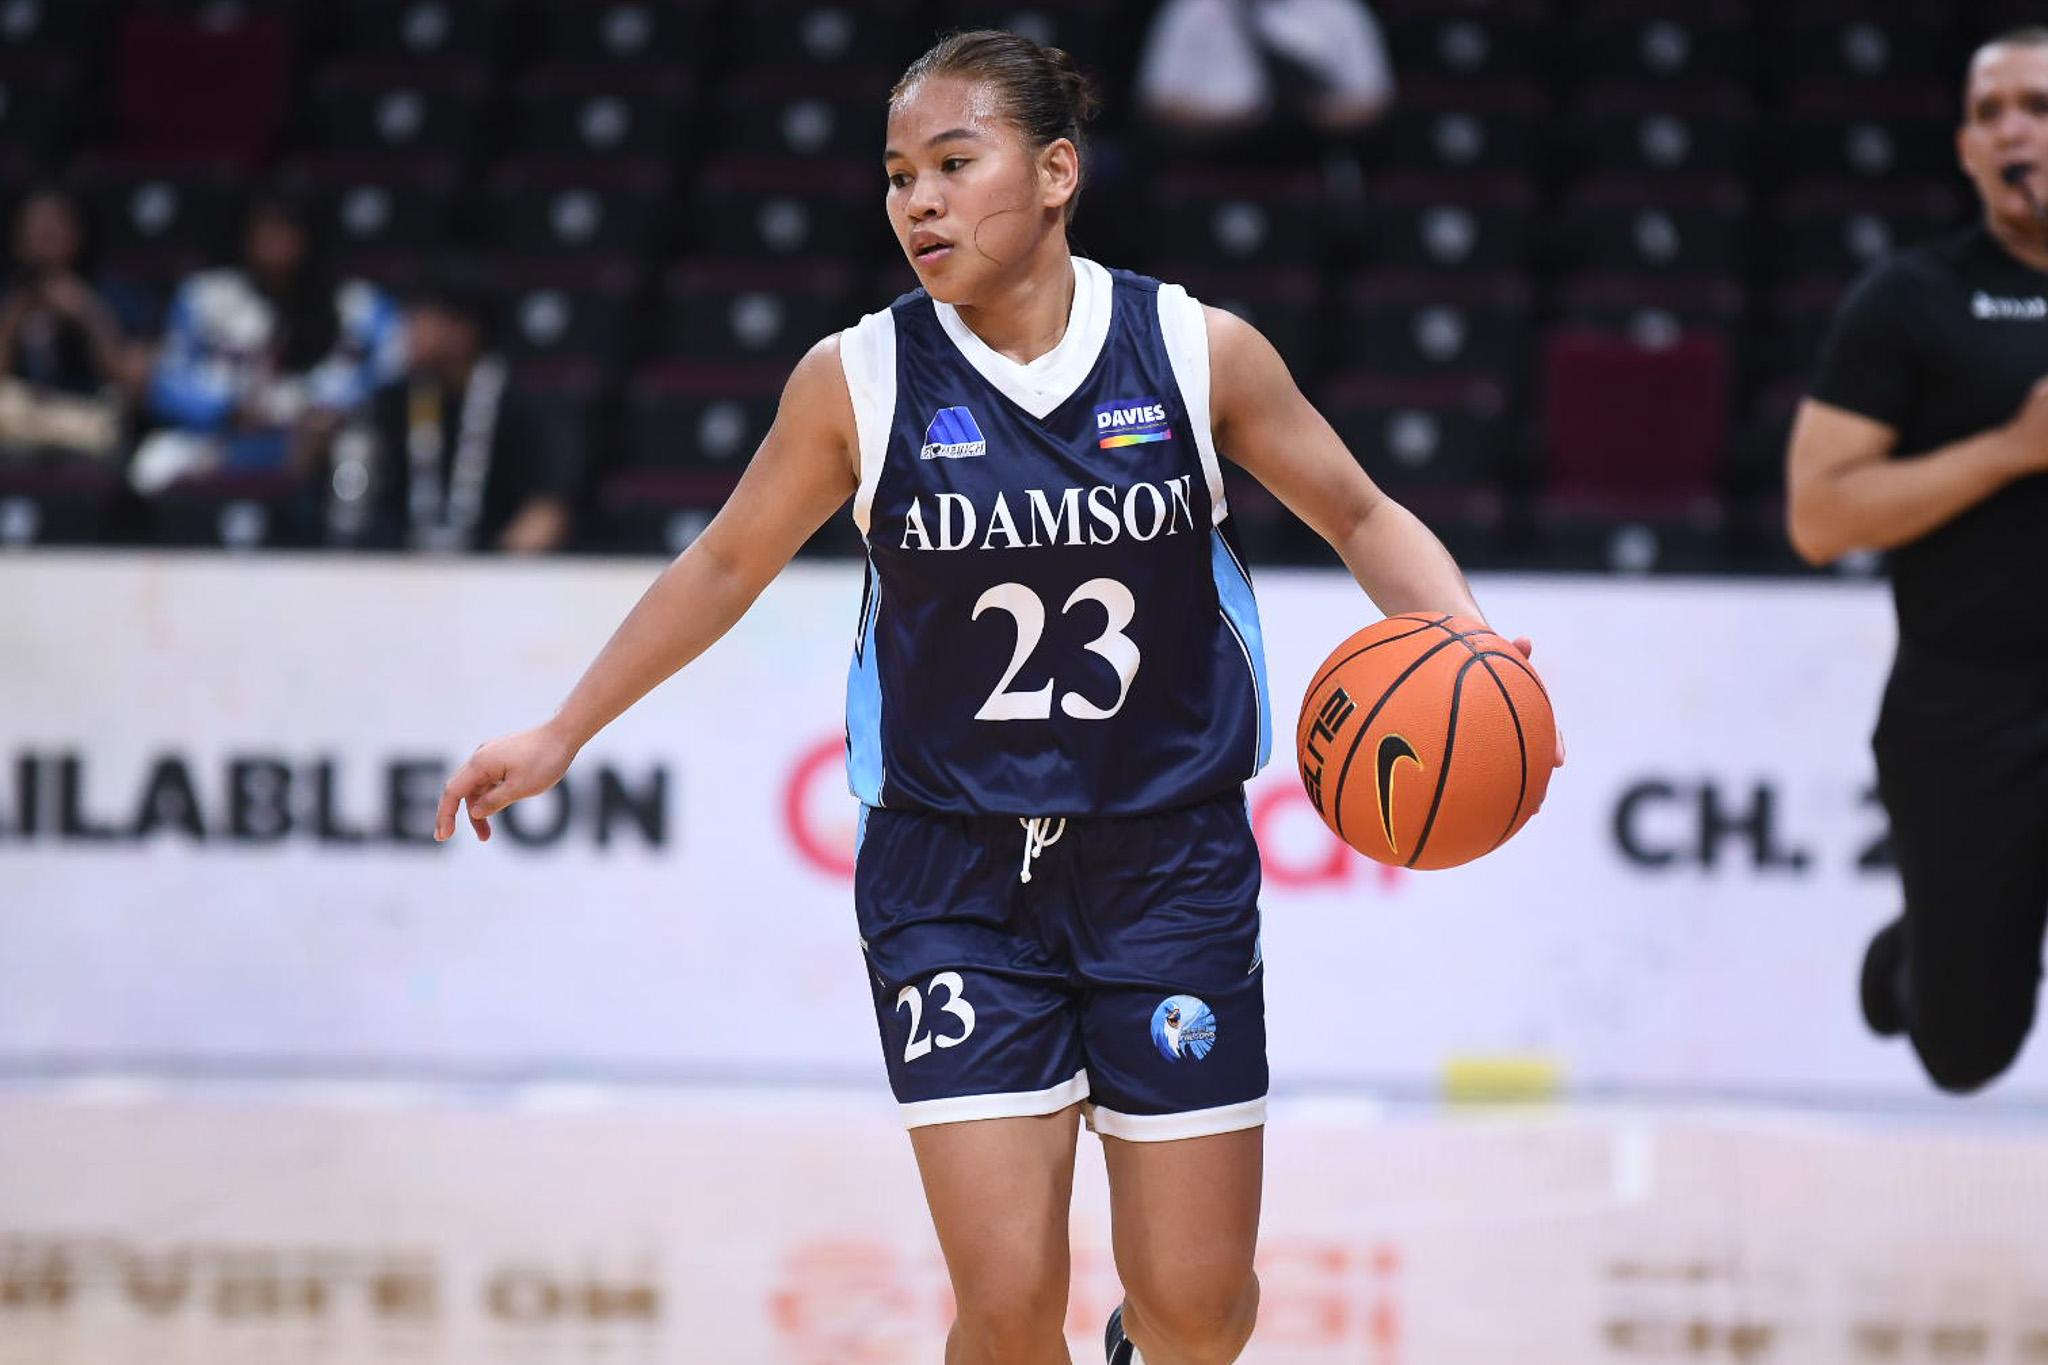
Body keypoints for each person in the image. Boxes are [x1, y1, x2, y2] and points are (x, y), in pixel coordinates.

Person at [436, 31, 1553, 1365]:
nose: (918, 201)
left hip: (1167, 863)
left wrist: (1468, 643)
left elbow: (1362, 513)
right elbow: (725, 563)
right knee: (1010, 1302)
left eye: (953, 164)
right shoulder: (857, 381)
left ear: (1057, 172)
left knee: (1201, 1309)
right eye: (897, 174)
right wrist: (563, 729)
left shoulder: (1193, 351)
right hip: (950, 875)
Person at [1787, 26, 2048, 1094]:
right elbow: (1818, 516)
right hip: (1967, 705)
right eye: (1989, 114)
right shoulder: (1911, 299)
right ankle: (1918, 958)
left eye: (2036, 106)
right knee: (1965, 1050)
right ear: (1965, 150)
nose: (2011, 130)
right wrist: (2009, 450)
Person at [130, 190, 404, 495]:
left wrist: (334, 409)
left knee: (356, 454)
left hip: (322, 442)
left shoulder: (359, 304)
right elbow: (166, 381)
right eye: (264, 228)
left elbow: (394, 366)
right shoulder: (203, 296)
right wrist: (227, 410)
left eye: (286, 228)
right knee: (154, 462)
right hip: (222, 438)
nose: (274, 240)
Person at [330, 272, 578, 553]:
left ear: (463, 331)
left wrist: (501, 564)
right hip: (398, 567)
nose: (406, 332)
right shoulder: (389, 404)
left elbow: (547, 510)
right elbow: (355, 501)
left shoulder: (524, 406)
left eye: (420, 319)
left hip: (495, 568)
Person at [0, 186, 147, 461]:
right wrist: (12, 320)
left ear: (79, 231)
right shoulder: (9, 297)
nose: (43, 235)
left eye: (54, 225)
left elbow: (132, 382)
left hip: (88, 416)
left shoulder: (114, 293)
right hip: (20, 420)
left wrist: (88, 313)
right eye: (33, 226)